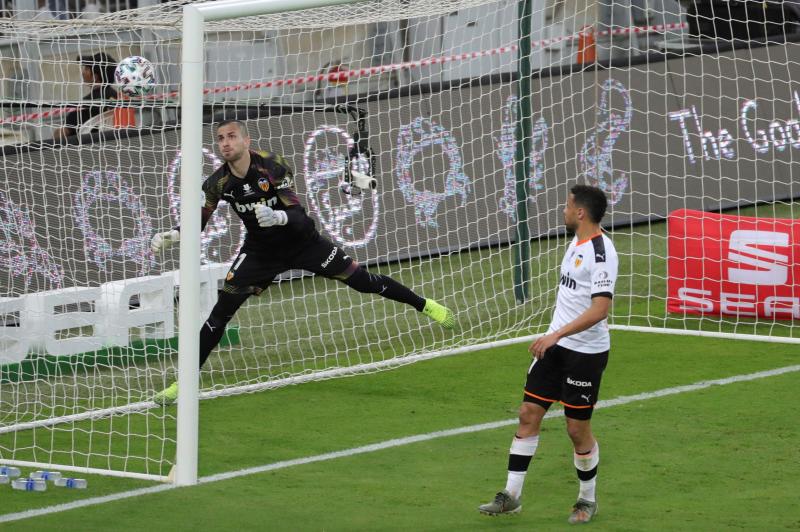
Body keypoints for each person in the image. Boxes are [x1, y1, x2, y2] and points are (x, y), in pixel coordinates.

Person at [150, 119, 455, 405]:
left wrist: (277, 216)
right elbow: (200, 218)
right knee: (220, 314)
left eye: (231, 136)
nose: (225, 143)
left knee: (363, 281)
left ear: (246, 140)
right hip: (260, 253)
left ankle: (426, 305)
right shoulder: (218, 182)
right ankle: (183, 384)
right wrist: (174, 235)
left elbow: (296, 214)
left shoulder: (272, 165)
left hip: (304, 243)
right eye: (220, 139)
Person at [478, 185, 618, 524]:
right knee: (528, 413)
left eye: (568, 206)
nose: (564, 210)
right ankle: (511, 495)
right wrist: (554, 336)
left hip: (585, 353)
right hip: (555, 347)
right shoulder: (576, 242)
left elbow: (600, 309)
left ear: (580, 212)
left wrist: (555, 334)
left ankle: (586, 499)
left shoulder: (602, 253)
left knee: (576, 430)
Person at [53, 52, 117, 141]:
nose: (83, 72)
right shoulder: (117, 97)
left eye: (86, 69)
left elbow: (63, 133)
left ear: (95, 77)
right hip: (114, 141)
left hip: (86, 145)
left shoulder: (86, 104)